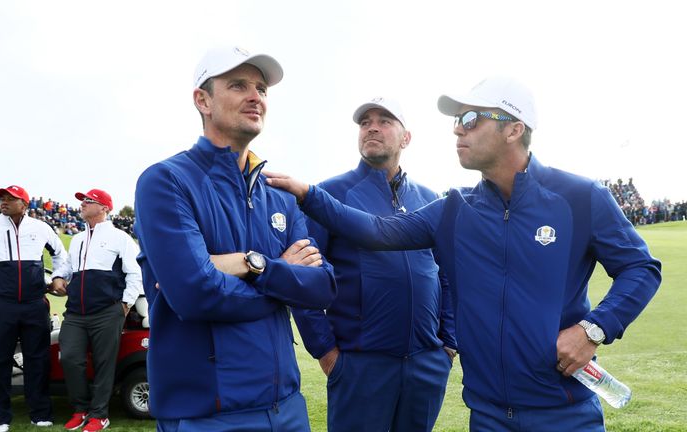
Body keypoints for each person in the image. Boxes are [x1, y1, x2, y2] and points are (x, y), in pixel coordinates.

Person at [266, 76, 662, 431]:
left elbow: (641, 268)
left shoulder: (580, 197)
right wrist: (307, 193)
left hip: (564, 412)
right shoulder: (454, 209)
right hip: (488, 414)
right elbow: (377, 230)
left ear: (514, 129)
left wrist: (593, 330)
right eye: (456, 120)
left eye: (471, 119)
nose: (458, 129)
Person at [134, 45, 337, 432]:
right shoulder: (166, 181)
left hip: (288, 408)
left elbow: (323, 287)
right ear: (203, 100)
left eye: (261, 88)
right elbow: (194, 295)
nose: (255, 96)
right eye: (238, 85)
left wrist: (244, 266)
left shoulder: (278, 195)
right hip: (207, 414)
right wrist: (278, 276)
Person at [291, 97, 456, 431]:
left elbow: (449, 276)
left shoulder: (429, 199)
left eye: (384, 121)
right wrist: (328, 355)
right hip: (360, 367)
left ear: (405, 137)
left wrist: (449, 345)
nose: (372, 128)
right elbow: (303, 280)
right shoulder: (329, 195)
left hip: (426, 365)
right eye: (365, 122)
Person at [0, 185, 68, 432]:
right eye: (2, 199)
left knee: (37, 359)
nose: (3, 202)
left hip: (35, 304)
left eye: (10, 198)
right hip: (1, 304)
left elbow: (61, 256)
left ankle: (40, 413)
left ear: (24, 204)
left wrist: (58, 277)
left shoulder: (41, 228)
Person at [50, 189, 143, 432]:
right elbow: (68, 268)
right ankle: (80, 409)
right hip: (76, 312)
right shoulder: (79, 239)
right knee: (70, 358)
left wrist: (125, 304)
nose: (81, 205)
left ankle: (99, 414)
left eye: (88, 201)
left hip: (107, 311)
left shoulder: (120, 238)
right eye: (81, 201)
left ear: (104, 207)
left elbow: (135, 272)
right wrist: (59, 277)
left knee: (104, 363)